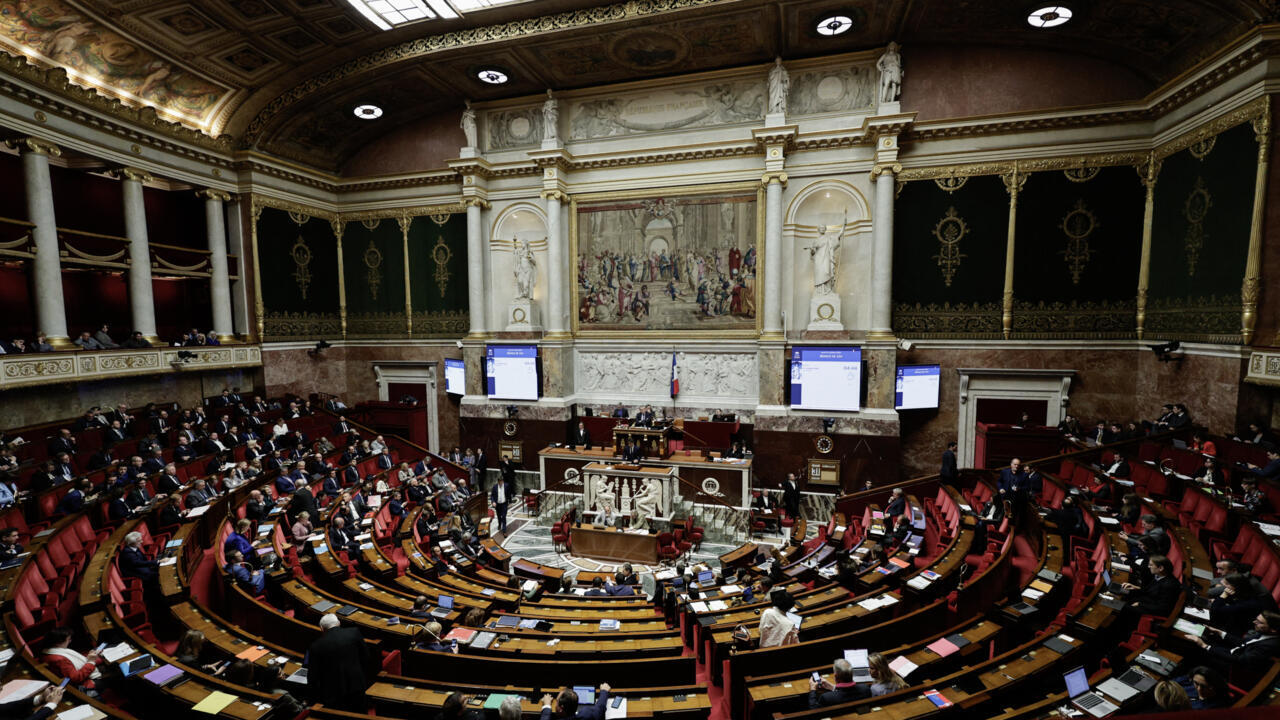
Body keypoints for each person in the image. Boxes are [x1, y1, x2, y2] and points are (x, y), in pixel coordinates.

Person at [305, 614, 369, 712]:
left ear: (322, 628)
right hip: (356, 684)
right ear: (339, 623)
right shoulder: (354, 632)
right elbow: (365, 657)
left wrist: (313, 698)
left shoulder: (315, 646)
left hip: (333, 692)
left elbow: (313, 675)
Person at [1210, 572, 1277, 636]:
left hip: (1236, 630)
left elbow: (1216, 609)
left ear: (1236, 586)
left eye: (1227, 584)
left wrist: (1224, 595)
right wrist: (1220, 601)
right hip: (1232, 621)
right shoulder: (1242, 593)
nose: (1224, 587)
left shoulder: (1249, 603)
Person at [539, 684, 611, 719]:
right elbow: (600, 708)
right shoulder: (587, 715)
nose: (555, 703)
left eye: (557, 701)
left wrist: (547, 705)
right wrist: (604, 691)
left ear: (560, 708)